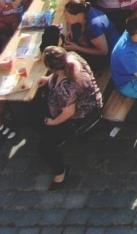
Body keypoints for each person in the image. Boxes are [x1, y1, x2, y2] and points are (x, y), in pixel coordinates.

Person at [35, 45, 103, 188]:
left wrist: (53, 122)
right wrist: (49, 80)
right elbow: (59, 74)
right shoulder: (71, 57)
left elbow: (68, 113)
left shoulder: (67, 88)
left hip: (81, 116)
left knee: (44, 146)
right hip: (86, 100)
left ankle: (60, 173)